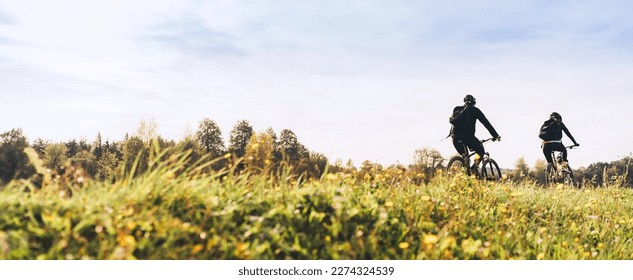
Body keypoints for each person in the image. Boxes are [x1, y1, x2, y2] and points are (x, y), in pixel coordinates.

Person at [449, 94, 501, 171]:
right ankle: (473, 170)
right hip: (468, 137)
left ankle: (464, 173)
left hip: (455, 139)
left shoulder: (457, 109)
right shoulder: (475, 110)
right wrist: (495, 135)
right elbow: (486, 123)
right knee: (481, 151)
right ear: (474, 102)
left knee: (465, 158)